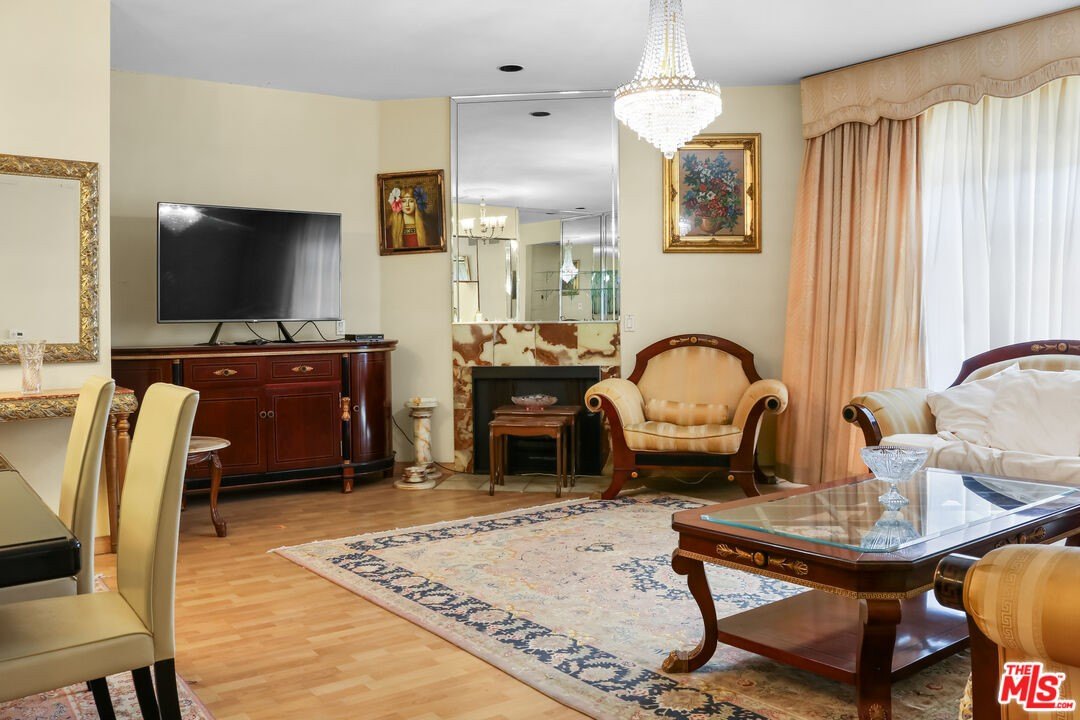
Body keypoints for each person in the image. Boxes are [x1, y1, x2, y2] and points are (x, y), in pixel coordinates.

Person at [385, 185, 437, 249]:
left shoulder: (426, 228)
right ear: (398, 203)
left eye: (411, 201)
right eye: (403, 201)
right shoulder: (390, 231)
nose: (407, 205)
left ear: (416, 203)